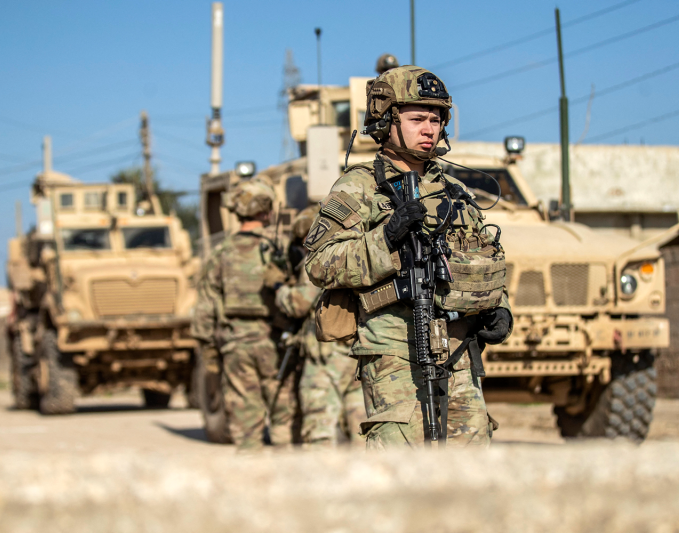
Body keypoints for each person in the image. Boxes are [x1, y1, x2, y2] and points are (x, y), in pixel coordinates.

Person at [304, 65, 513, 449]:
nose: (429, 129)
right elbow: (319, 262)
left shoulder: (454, 190)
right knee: (401, 457)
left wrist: (501, 307)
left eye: (436, 119)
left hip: (458, 348)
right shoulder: (360, 186)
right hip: (394, 348)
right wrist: (385, 237)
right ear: (386, 121)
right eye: (417, 119)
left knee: (473, 462)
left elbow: (482, 255)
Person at [193, 177, 297, 449]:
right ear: (266, 209)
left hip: (235, 343)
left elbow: (205, 306)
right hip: (277, 343)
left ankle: (252, 476)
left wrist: (208, 350)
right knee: (283, 422)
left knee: (245, 426)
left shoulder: (220, 253)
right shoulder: (281, 248)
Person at [275, 207, 366, 447]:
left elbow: (299, 304)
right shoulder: (354, 256)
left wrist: (279, 290)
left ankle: (322, 480)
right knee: (361, 424)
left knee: (319, 426)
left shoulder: (319, 262)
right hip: (356, 352)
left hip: (326, 359)